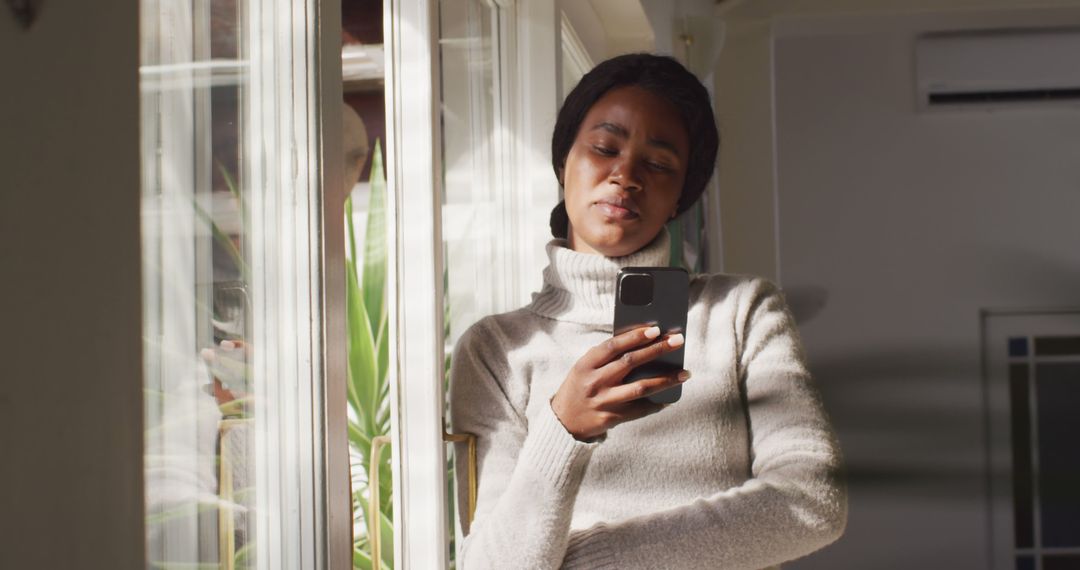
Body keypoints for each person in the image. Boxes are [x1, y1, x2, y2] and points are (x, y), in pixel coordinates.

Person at [448, 53, 847, 570]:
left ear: (682, 194)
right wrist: (563, 428)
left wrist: (598, 559)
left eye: (658, 164)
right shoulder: (497, 349)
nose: (625, 174)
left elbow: (814, 500)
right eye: (604, 147)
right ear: (562, 161)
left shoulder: (742, 312)